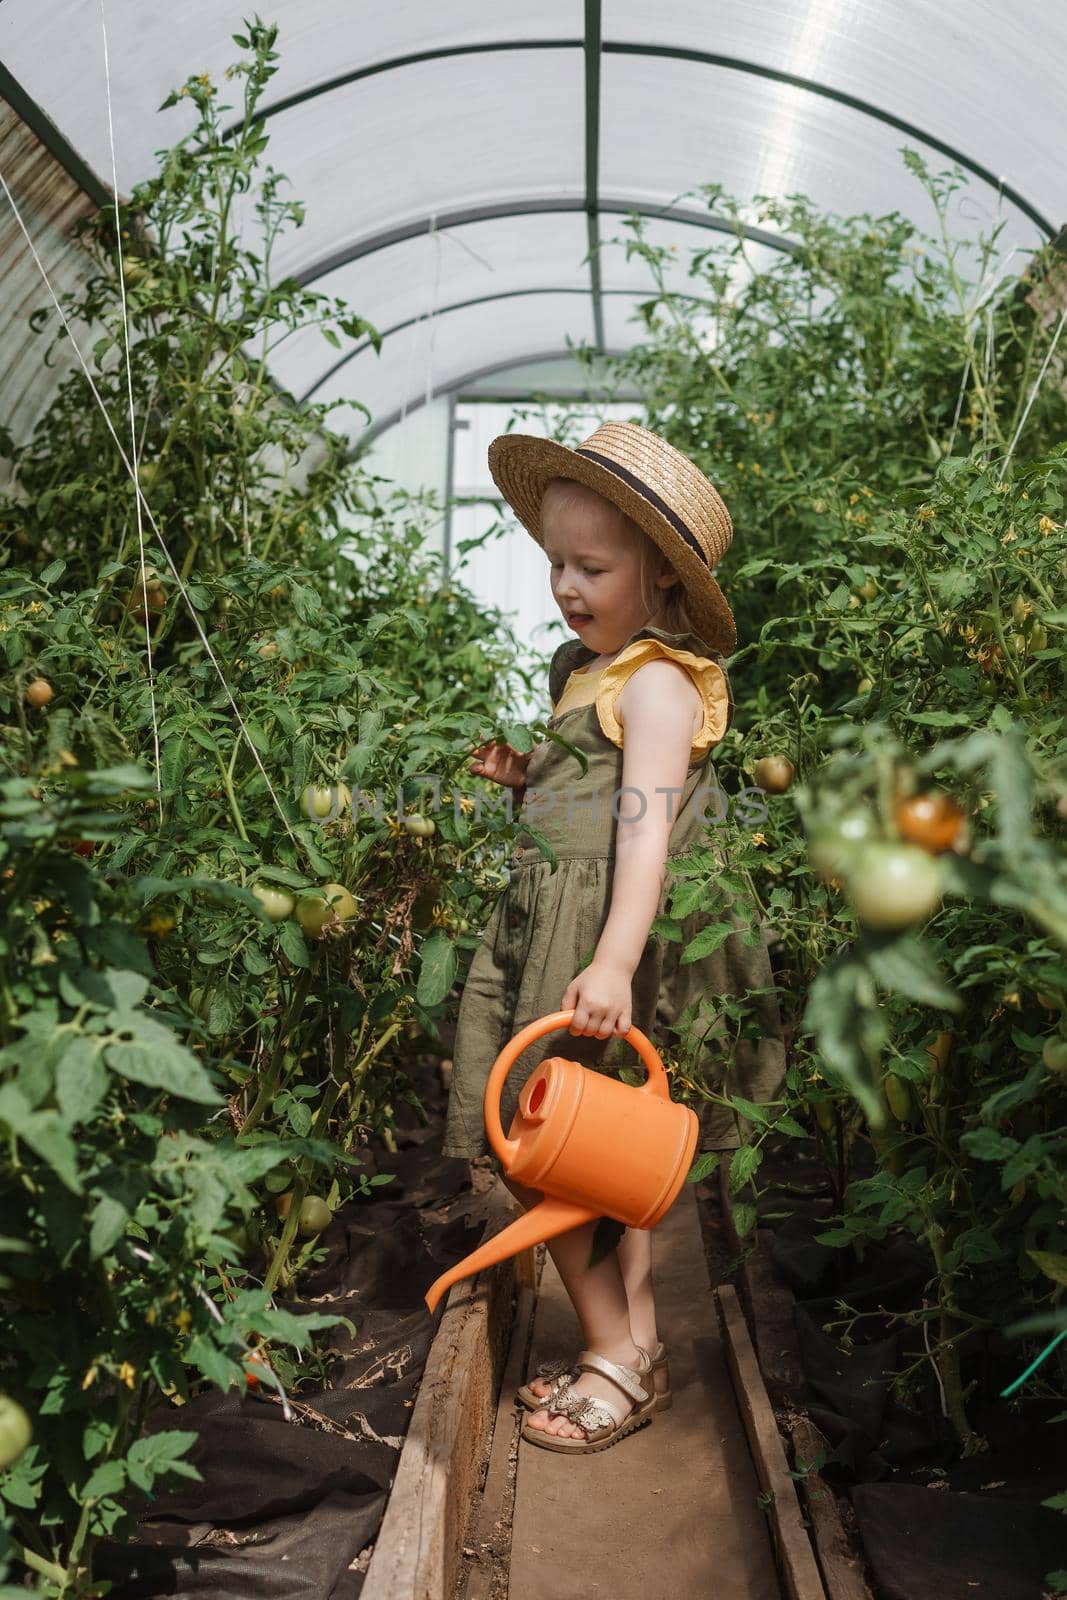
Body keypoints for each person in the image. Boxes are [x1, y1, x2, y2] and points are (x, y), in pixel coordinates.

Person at [441, 420, 784, 1454]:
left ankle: (613, 1356)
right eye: (554, 561)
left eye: (591, 565)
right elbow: (583, 799)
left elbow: (645, 837)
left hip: (599, 937)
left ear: (663, 582)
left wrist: (613, 959)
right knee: (605, 1153)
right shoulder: (580, 671)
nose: (565, 584)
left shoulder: (659, 685)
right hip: (556, 921)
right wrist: (524, 777)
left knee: (548, 1153)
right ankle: (630, 1345)